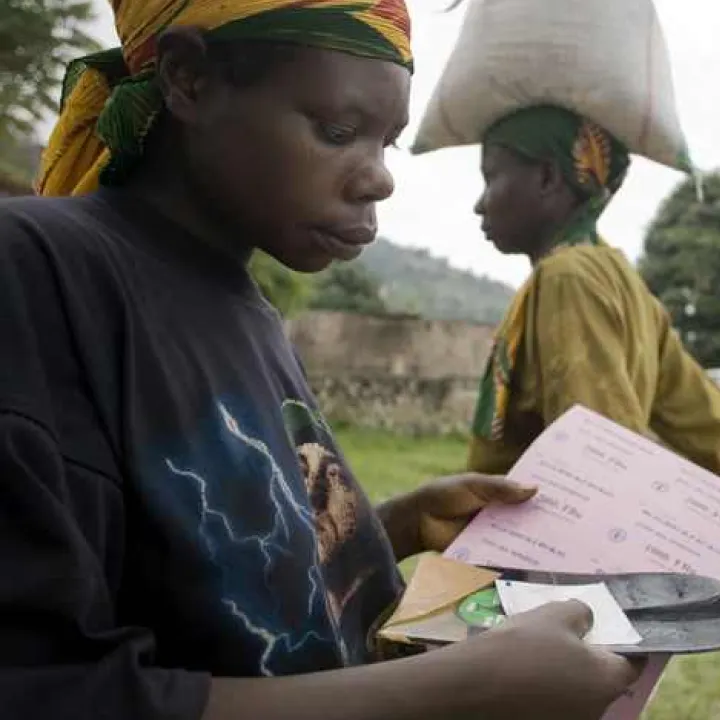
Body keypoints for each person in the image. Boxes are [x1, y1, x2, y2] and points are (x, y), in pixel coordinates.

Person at [0, 2, 643, 718]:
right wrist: (462, 690)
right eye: (338, 132)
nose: (380, 179)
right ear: (188, 79)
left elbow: (198, 577)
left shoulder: (243, 309)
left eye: (387, 142)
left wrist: (377, 530)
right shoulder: (37, 274)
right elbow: (44, 689)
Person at [466, 104, 720, 509]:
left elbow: (593, 453)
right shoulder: (622, 280)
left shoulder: (568, 277)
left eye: (491, 177)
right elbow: (709, 418)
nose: (480, 203)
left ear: (548, 177)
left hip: (547, 555)